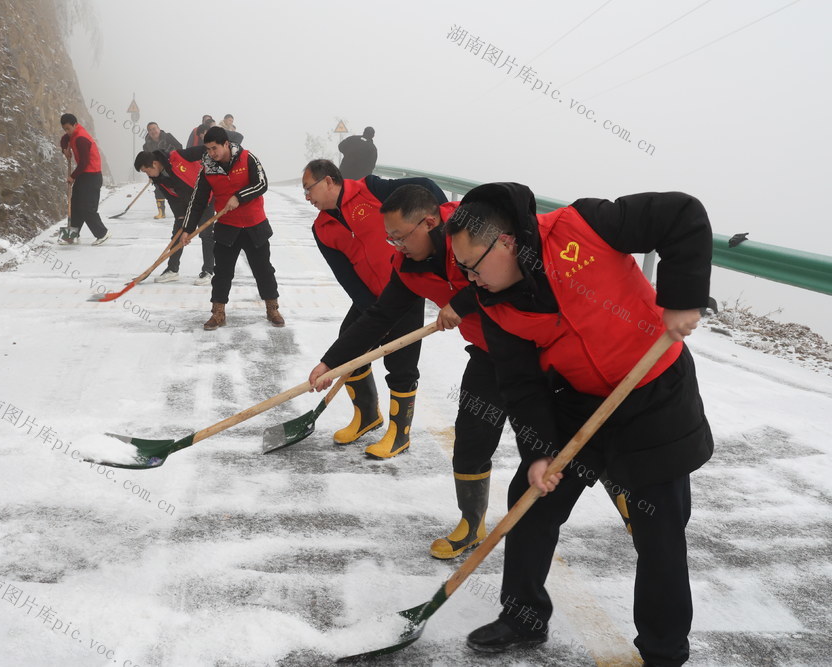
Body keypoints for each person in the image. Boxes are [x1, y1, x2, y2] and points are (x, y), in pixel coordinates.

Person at [446, 182, 714, 665]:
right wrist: (539, 454)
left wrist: (682, 297)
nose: (471, 279)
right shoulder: (493, 304)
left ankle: (663, 650)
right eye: (462, 269)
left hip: (653, 394)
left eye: (474, 266)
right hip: (578, 404)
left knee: (660, 531)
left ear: (505, 242)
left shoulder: (582, 226)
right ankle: (522, 617)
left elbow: (681, 214)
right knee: (530, 504)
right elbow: (521, 385)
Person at [308, 183, 518, 556]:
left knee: (566, 448)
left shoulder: (472, 231)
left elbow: (518, 261)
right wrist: (330, 362)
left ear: (429, 222)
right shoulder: (408, 268)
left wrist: (464, 300)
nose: (396, 246)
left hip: (539, 351)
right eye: (390, 239)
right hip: (488, 355)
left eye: (401, 237)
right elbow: (378, 317)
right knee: (470, 441)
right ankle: (472, 523)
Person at [303, 160, 447, 460]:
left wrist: (443, 237)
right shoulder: (321, 228)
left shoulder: (372, 189)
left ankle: (399, 434)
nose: (307, 197)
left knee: (401, 364)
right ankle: (367, 416)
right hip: (373, 299)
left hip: (407, 286)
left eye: (309, 188)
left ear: (329, 181)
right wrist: (376, 314)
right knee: (349, 346)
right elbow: (346, 276)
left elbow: (427, 187)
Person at [178, 126, 284, 330]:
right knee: (222, 272)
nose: (211, 153)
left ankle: (272, 308)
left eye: (214, 148)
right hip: (227, 227)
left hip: (255, 225)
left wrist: (239, 196)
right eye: (208, 149)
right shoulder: (207, 167)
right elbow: (198, 200)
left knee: (263, 270)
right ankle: (218, 312)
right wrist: (187, 229)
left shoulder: (247, 158)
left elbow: (262, 184)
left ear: (226, 144)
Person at [133, 148, 215, 286]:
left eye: (146, 171)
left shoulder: (178, 156)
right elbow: (172, 198)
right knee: (177, 235)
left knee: (205, 234)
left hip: (205, 199)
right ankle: (172, 270)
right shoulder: (157, 178)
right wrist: (181, 217)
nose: (148, 175)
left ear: (154, 164)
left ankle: (208, 271)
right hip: (185, 204)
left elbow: (205, 149)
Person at [59, 113, 110, 245]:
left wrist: (72, 176)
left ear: (75, 125)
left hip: (92, 176)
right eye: (65, 129)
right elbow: (64, 139)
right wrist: (65, 149)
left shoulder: (81, 138)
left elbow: (85, 162)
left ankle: (102, 234)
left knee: (87, 207)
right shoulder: (73, 134)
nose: (67, 132)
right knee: (75, 204)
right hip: (84, 175)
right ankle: (71, 235)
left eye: (68, 128)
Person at [142, 122, 183, 219]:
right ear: (148, 132)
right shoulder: (146, 145)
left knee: (178, 189)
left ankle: (182, 210)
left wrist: (171, 157)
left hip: (172, 167)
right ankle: (161, 212)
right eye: (150, 130)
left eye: (154, 128)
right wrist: (150, 174)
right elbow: (147, 160)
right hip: (157, 170)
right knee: (159, 189)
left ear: (159, 129)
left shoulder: (168, 137)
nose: (153, 131)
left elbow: (179, 147)